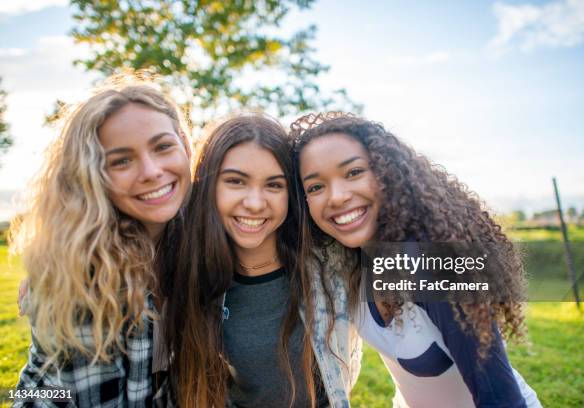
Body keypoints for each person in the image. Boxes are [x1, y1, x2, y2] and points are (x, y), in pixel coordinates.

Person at [291, 113, 542, 408]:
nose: (336, 197)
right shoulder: (346, 261)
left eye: (354, 172)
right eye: (315, 187)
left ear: (388, 173)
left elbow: (501, 400)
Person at [10, 79, 191, 407]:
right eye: (121, 160)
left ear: (185, 147)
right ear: (92, 176)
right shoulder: (86, 274)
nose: (151, 171)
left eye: (163, 147)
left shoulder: (195, 236)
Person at [162, 114, 361, 407]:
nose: (255, 203)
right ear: (208, 186)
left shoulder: (332, 260)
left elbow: (445, 273)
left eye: (274, 185)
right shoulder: (189, 270)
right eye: (236, 181)